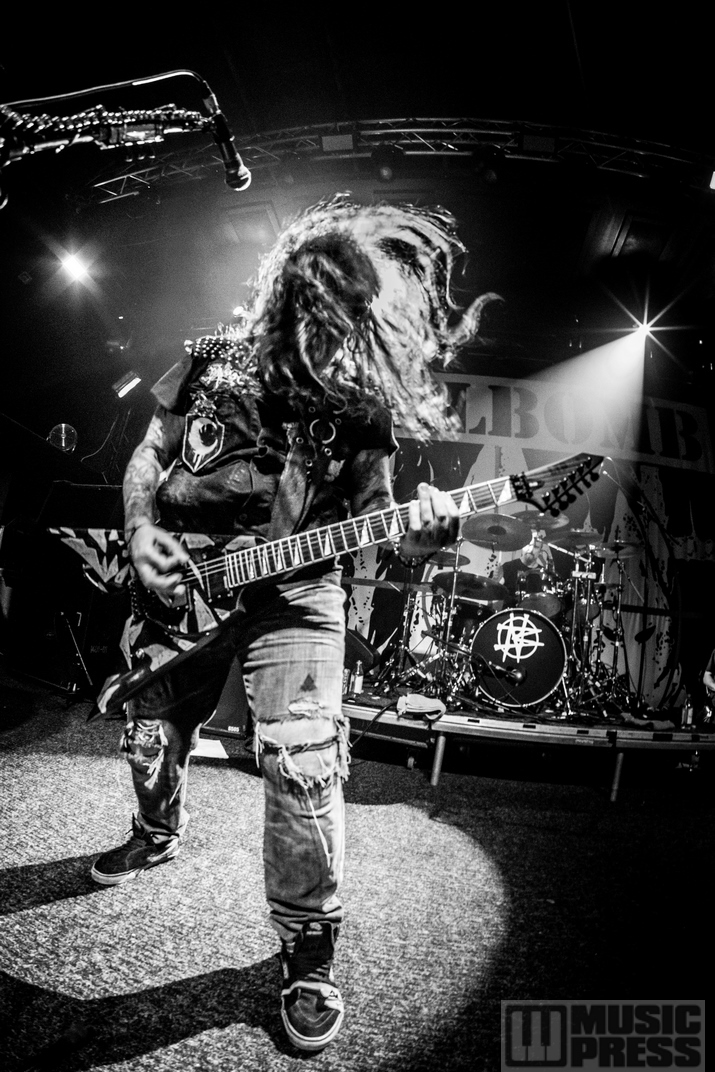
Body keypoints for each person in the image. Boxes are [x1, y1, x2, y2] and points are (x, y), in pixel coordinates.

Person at [89, 194, 495, 1052]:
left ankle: (309, 947)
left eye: (347, 315)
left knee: (303, 758)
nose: (328, 330)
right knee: (149, 738)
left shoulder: (356, 399)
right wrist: (140, 529)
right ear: (283, 290)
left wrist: (419, 535)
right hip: (181, 582)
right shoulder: (209, 357)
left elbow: (376, 514)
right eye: (315, 307)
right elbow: (151, 453)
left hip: (298, 593)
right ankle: (156, 831)